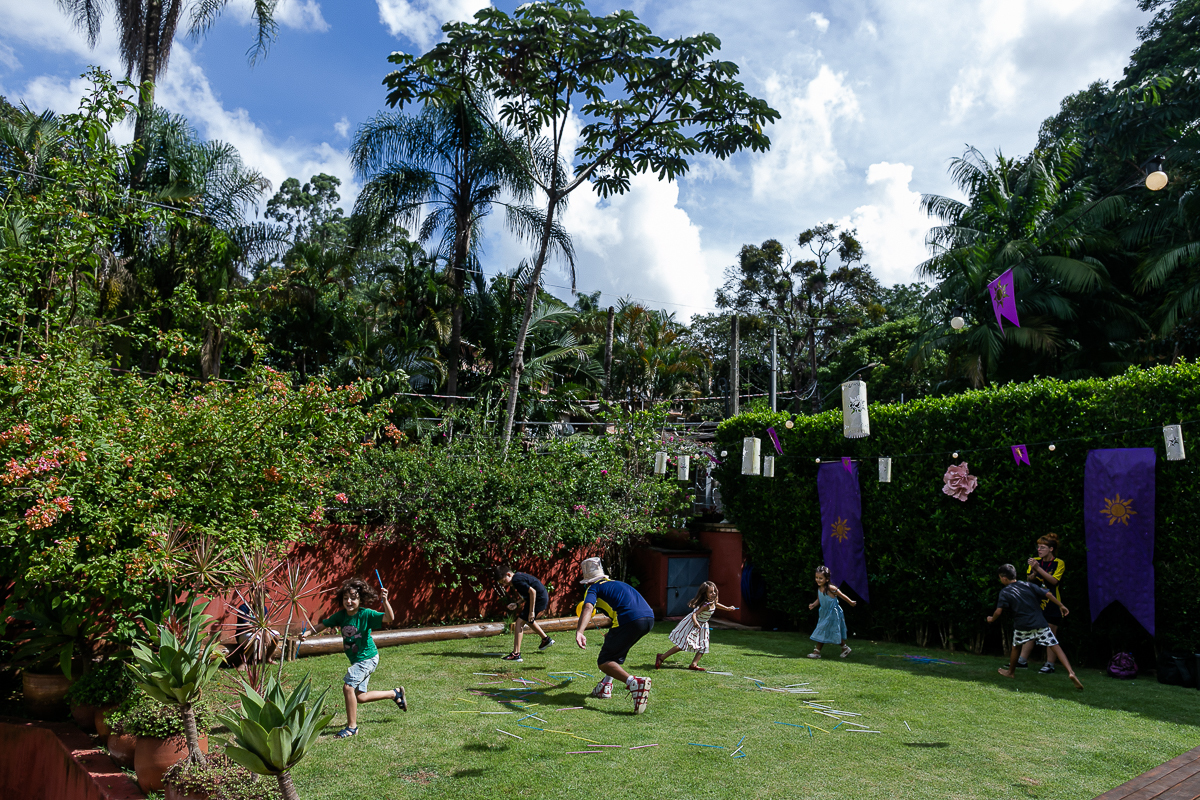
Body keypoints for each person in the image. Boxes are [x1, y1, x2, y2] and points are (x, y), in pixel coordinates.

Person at [300, 577, 407, 738]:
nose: (349, 601)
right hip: (358, 660)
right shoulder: (341, 616)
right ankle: (395, 693)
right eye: (345, 598)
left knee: (348, 687)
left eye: (353, 598)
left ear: (360, 599)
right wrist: (308, 633)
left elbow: (389, 618)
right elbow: (323, 624)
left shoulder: (366, 614)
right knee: (360, 697)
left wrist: (385, 601)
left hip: (367, 658)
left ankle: (352, 727)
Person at [574, 557, 653, 714]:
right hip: (649, 618)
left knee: (604, 661)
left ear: (588, 581)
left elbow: (588, 607)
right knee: (615, 652)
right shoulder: (617, 583)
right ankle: (606, 687)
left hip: (629, 619)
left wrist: (579, 631)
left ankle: (634, 683)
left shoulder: (593, 588)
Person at [988, 564, 1083, 689]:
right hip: (1039, 623)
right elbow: (1048, 594)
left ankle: (1010, 672)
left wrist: (991, 619)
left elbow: (998, 611)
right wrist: (1061, 605)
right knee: (1055, 645)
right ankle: (1071, 672)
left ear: (1004, 578)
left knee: (1016, 647)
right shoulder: (1028, 585)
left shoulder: (1004, 591)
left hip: (1022, 625)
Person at [654, 581, 737, 671]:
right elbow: (694, 614)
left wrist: (728, 608)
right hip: (693, 623)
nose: (713, 593)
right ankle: (661, 657)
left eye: (714, 591)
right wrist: (695, 622)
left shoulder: (713, 601)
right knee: (683, 644)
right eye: (710, 592)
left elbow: (716, 605)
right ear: (705, 594)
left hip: (703, 625)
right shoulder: (706, 605)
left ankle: (694, 664)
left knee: (704, 645)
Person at [1020, 533, 1065, 673]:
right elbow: (1029, 579)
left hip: (1052, 603)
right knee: (1031, 629)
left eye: (1042, 547)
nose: (1039, 550)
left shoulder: (1059, 563)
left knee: (1050, 633)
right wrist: (1033, 571)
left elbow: (1054, 581)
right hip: (1036, 601)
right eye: (1038, 547)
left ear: (1051, 549)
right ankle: (1021, 661)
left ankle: (1049, 664)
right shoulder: (1035, 561)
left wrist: (1038, 569)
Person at [495, 565, 554, 662]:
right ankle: (546, 640)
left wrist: (531, 612)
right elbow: (526, 595)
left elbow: (533, 592)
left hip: (539, 599)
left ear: (508, 574)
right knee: (529, 620)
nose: (505, 584)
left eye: (504, 581)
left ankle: (516, 654)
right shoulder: (518, 576)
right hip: (541, 597)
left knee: (519, 623)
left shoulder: (516, 580)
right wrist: (517, 604)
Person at [807, 565, 856, 659]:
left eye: (820, 578)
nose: (818, 580)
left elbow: (842, 595)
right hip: (824, 613)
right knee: (827, 631)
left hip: (832, 614)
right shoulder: (819, 589)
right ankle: (844, 648)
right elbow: (819, 599)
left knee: (825, 630)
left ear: (826, 579)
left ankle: (817, 651)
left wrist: (851, 602)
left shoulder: (831, 588)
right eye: (816, 578)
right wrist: (813, 604)